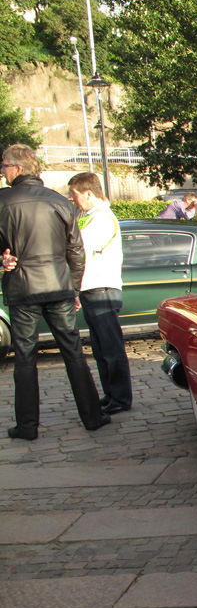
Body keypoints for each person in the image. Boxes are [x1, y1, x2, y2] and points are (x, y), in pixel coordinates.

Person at [0, 143, 106, 439]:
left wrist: (2, 260)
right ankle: (92, 417)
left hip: (23, 288)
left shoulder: (3, 201)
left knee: (25, 356)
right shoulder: (60, 202)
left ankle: (27, 425)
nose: (2, 171)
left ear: (17, 168)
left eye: (4, 165)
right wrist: (73, 287)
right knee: (73, 351)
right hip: (59, 287)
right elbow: (76, 252)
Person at [69, 172, 132, 414]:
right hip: (92, 287)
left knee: (111, 348)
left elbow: (81, 250)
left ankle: (121, 398)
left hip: (102, 288)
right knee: (101, 349)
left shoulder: (102, 218)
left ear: (88, 193)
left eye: (75, 194)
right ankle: (111, 393)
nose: (73, 199)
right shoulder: (89, 216)